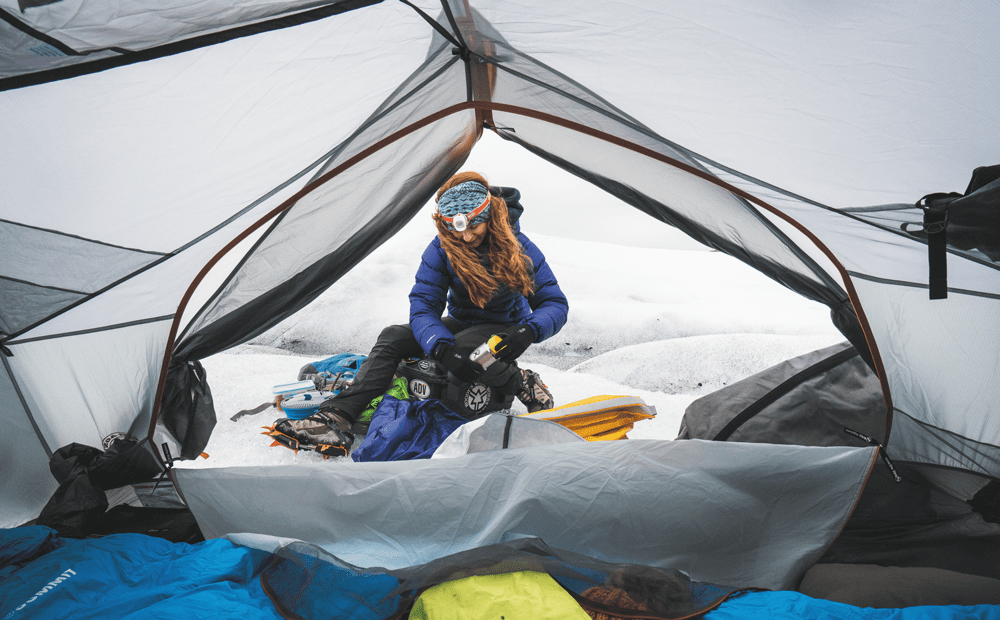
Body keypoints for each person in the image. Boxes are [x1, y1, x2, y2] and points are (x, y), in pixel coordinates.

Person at [314, 170, 569, 451]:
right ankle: (337, 416)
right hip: (460, 322)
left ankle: (519, 379)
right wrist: (441, 346)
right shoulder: (442, 247)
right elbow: (423, 304)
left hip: (503, 327)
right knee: (393, 337)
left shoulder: (520, 247)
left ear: (489, 217)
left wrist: (528, 330)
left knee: (470, 350)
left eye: (473, 226)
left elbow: (554, 303)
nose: (466, 236)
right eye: (456, 229)